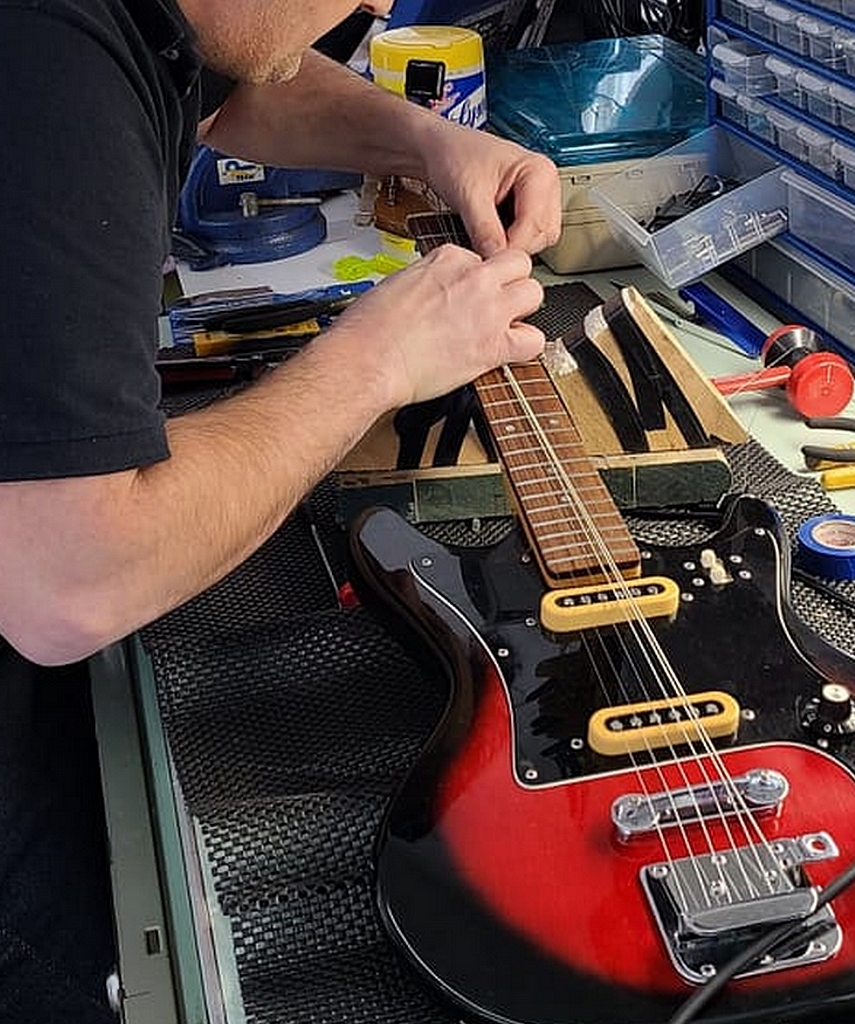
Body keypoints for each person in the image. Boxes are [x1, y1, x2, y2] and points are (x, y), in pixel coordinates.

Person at [0, 0, 562, 1019]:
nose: (383, 4)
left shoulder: (131, 24)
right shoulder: (40, 59)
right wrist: (378, 359)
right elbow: (69, 581)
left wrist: (428, 141)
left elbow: (226, 83)